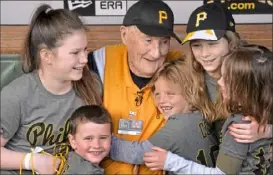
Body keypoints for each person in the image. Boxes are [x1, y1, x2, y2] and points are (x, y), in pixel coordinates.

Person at [0, 4, 101, 175]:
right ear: (47, 56)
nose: (84, 59)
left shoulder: (93, 86)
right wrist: (30, 161)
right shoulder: (16, 95)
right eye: (75, 52)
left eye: (85, 50)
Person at [88, 0, 183, 174]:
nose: (156, 53)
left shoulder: (181, 66)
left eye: (164, 42)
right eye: (148, 40)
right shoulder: (98, 63)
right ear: (124, 35)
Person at [159, 45, 273, 174]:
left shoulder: (238, 127)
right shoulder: (264, 109)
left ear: (245, 88)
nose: (219, 82)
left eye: (227, 80)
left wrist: (170, 161)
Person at [109, 58, 219, 172]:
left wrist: (103, 141)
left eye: (170, 94)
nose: (161, 100)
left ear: (190, 94)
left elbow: (138, 153)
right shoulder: (200, 116)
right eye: (157, 94)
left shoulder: (178, 126)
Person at [61, 105, 112, 174]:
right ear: (73, 141)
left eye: (103, 138)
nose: (97, 145)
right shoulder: (90, 172)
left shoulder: (71, 158)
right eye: (88, 138)